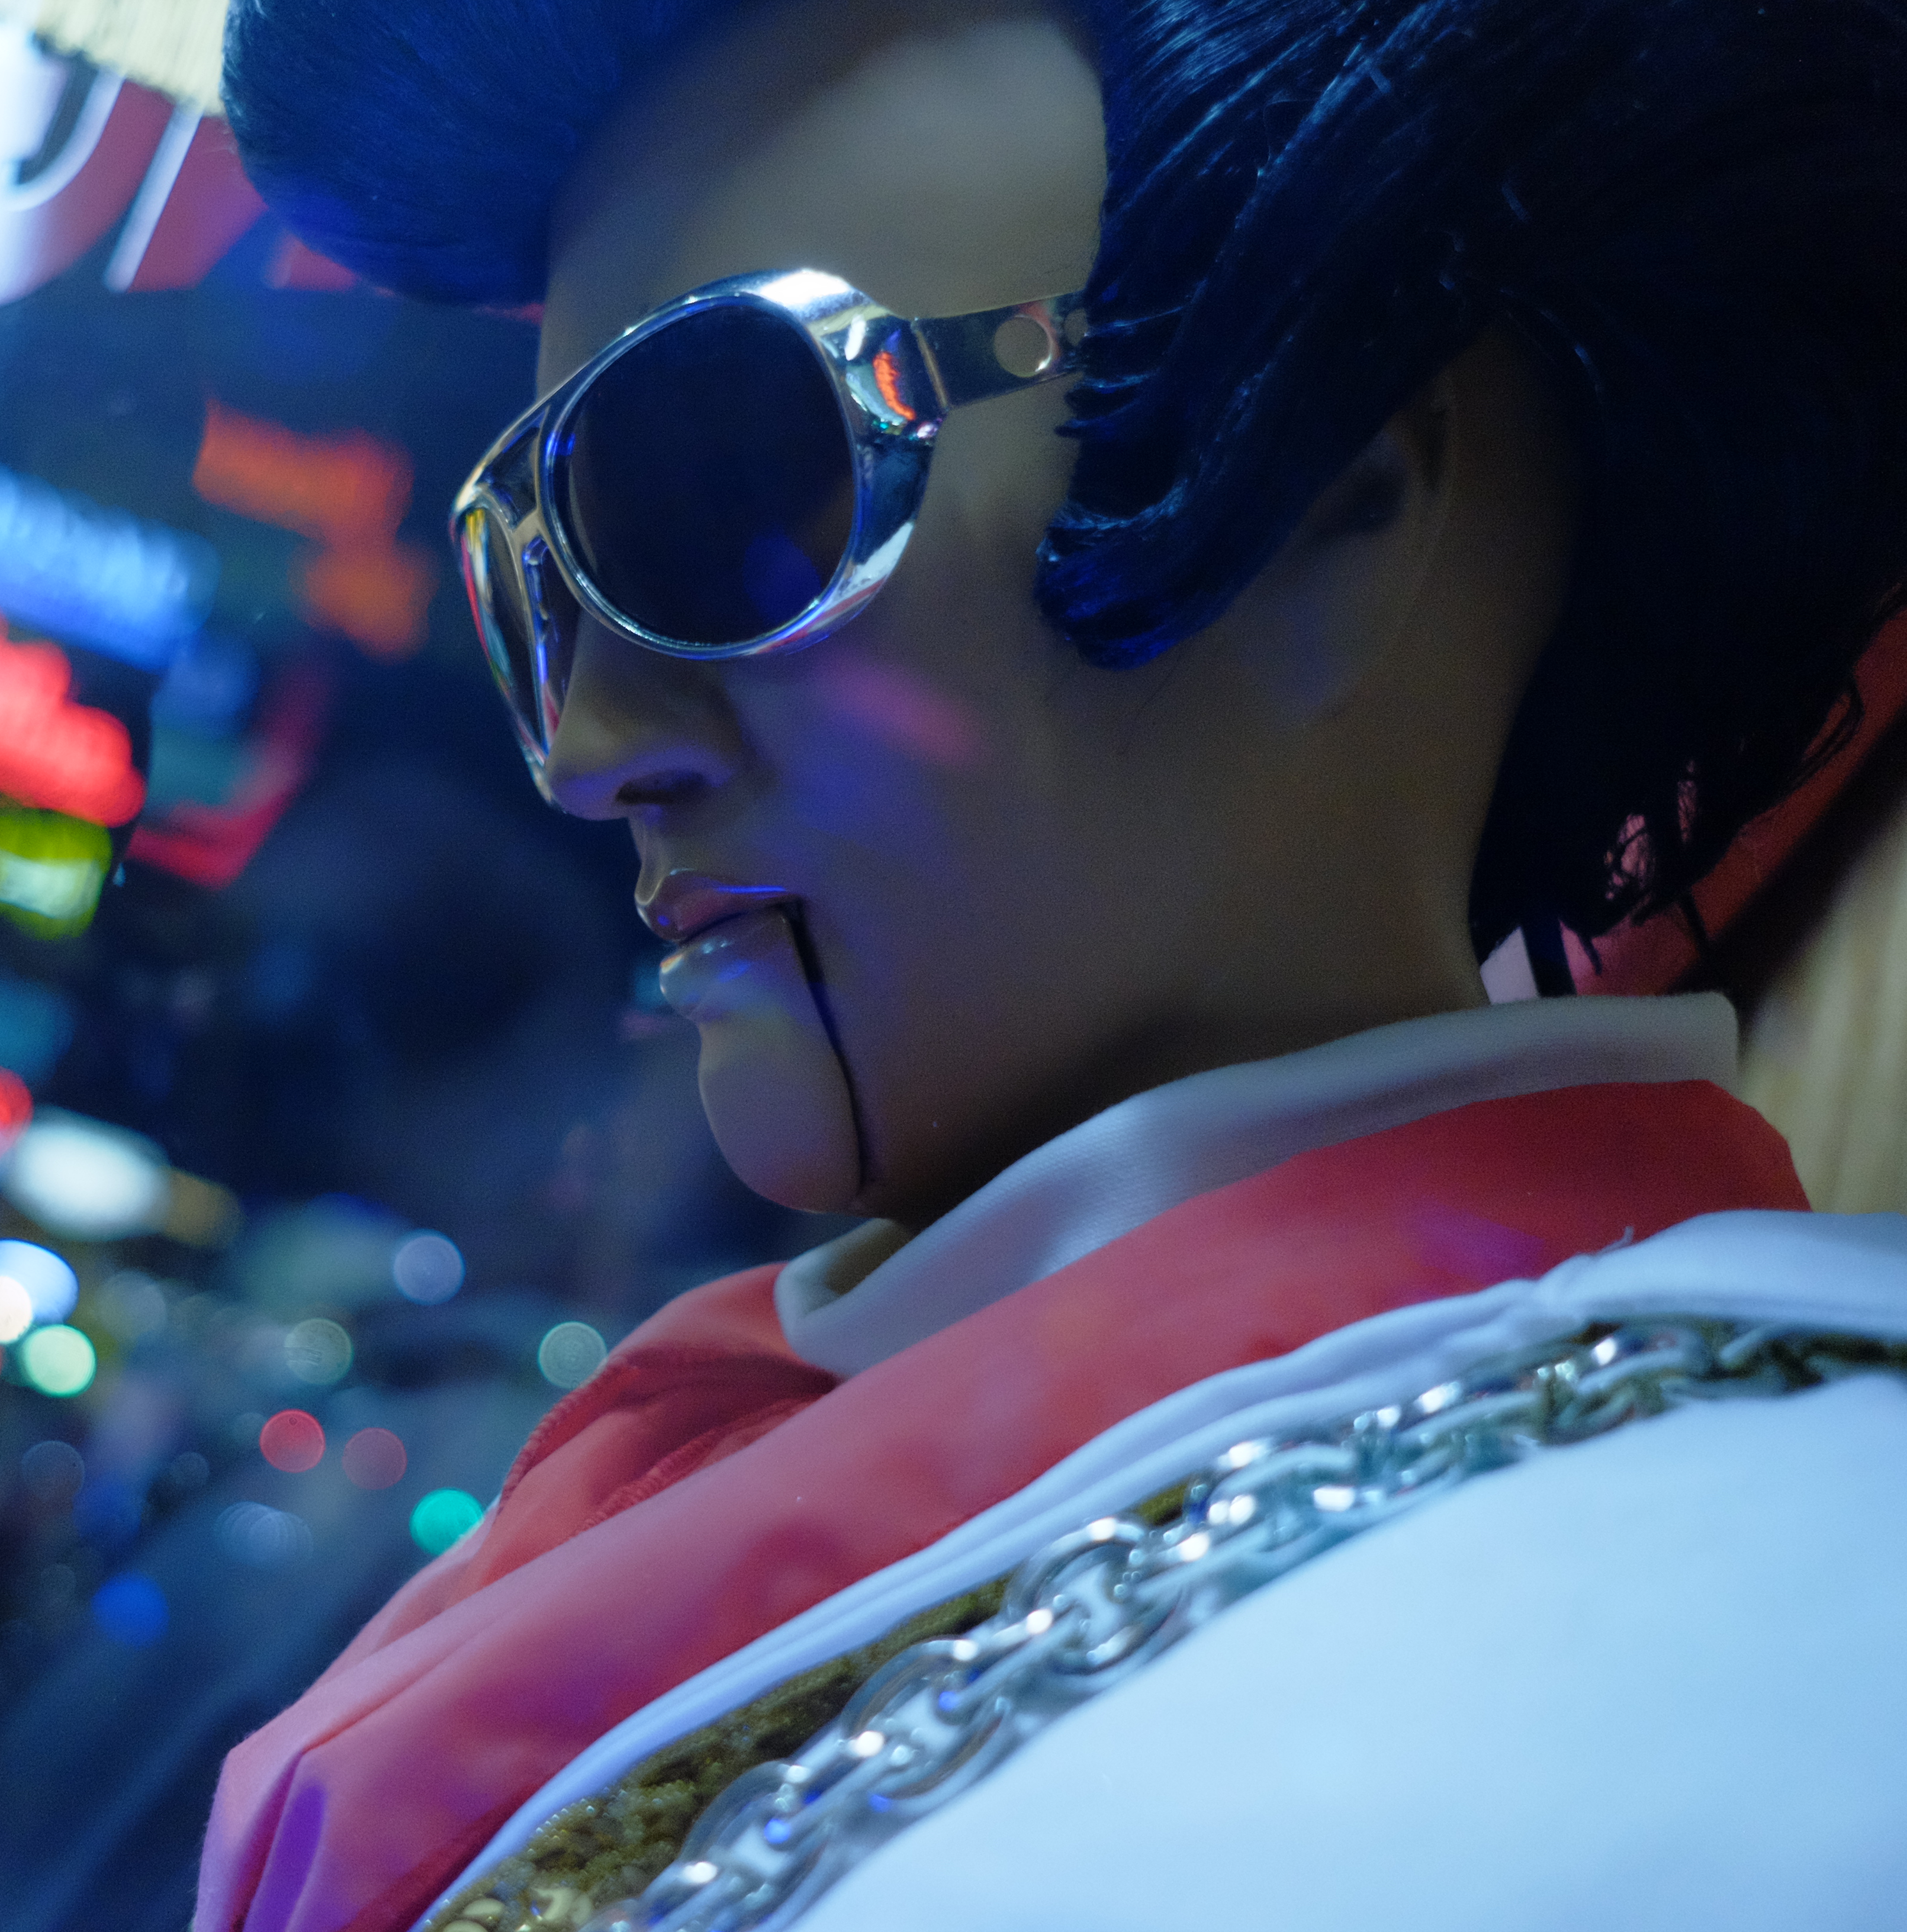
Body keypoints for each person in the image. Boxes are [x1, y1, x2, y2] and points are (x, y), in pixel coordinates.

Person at [198, 1, 1907, 1928]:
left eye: (720, 487)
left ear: (1338, 499)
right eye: (534, 575)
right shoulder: (718, 1487)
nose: (586, 750)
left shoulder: (1760, 1658)